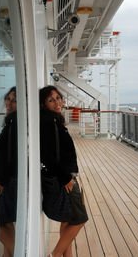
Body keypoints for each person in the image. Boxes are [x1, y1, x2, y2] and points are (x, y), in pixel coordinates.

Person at [39, 85, 88, 257]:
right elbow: (48, 155)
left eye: (58, 98)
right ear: (44, 104)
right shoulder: (48, 122)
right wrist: (66, 178)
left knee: (68, 219)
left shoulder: (53, 120)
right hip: (64, 179)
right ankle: (55, 254)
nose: (57, 102)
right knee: (79, 219)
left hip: (64, 176)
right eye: (51, 100)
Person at [0, 86, 18, 257]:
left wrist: (0, 180)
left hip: (7, 182)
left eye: (14, 100)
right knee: (7, 223)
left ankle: (17, 251)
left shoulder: (15, 123)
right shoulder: (12, 121)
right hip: (9, 180)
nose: (9, 103)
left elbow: (11, 157)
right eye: (8, 99)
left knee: (0, 223)